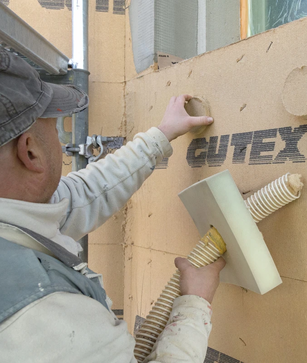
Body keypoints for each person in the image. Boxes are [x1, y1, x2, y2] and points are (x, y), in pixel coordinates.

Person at [0, 48, 226, 362]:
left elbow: (79, 195)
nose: (59, 141)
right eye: (54, 127)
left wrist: (160, 136)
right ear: (31, 152)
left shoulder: (15, 217)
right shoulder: (42, 312)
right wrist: (194, 304)